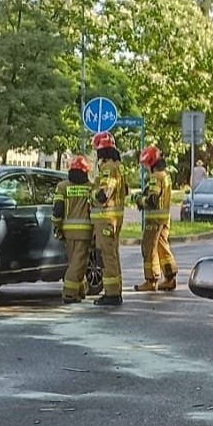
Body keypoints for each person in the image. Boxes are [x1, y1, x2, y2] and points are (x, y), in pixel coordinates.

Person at [89, 131, 127, 306]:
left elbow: (105, 193)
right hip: (113, 218)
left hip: (106, 217)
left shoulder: (108, 168)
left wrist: (91, 196)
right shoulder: (117, 167)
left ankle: (112, 294)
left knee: (107, 255)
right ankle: (115, 290)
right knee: (112, 254)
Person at [133, 145, 178, 292]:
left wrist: (140, 200)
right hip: (165, 218)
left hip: (154, 220)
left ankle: (151, 280)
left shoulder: (155, 177)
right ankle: (170, 278)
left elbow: (152, 200)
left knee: (148, 248)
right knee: (162, 247)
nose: (146, 168)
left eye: (146, 165)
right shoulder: (165, 175)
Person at [52, 156, 94, 304]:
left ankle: (80, 290)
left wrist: (57, 226)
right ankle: (69, 293)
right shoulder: (91, 187)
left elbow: (57, 210)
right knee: (79, 263)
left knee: (75, 262)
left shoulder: (62, 187)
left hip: (68, 231)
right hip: (85, 231)